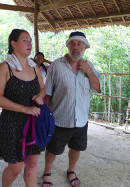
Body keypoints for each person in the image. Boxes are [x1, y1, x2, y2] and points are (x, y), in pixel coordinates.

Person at [41, 31, 101, 187]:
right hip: (60, 119)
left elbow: (98, 88)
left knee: (76, 148)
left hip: (81, 119)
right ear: (68, 46)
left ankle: (71, 170)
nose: (76, 47)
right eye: (72, 43)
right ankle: (47, 171)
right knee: (53, 149)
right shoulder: (56, 65)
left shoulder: (89, 66)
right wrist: (46, 118)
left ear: (85, 47)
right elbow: (47, 94)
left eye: (79, 43)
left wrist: (88, 71)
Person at [0, 29, 45, 187]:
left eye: (30, 41)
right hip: (12, 123)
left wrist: (40, 96)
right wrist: (24, 109)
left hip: (33, 123)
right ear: (13, 43)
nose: (29, 44)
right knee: (15, 166)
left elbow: (42, 88)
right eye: (25, 40)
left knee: (32, 163)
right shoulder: (4, 67)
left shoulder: (34, 67)